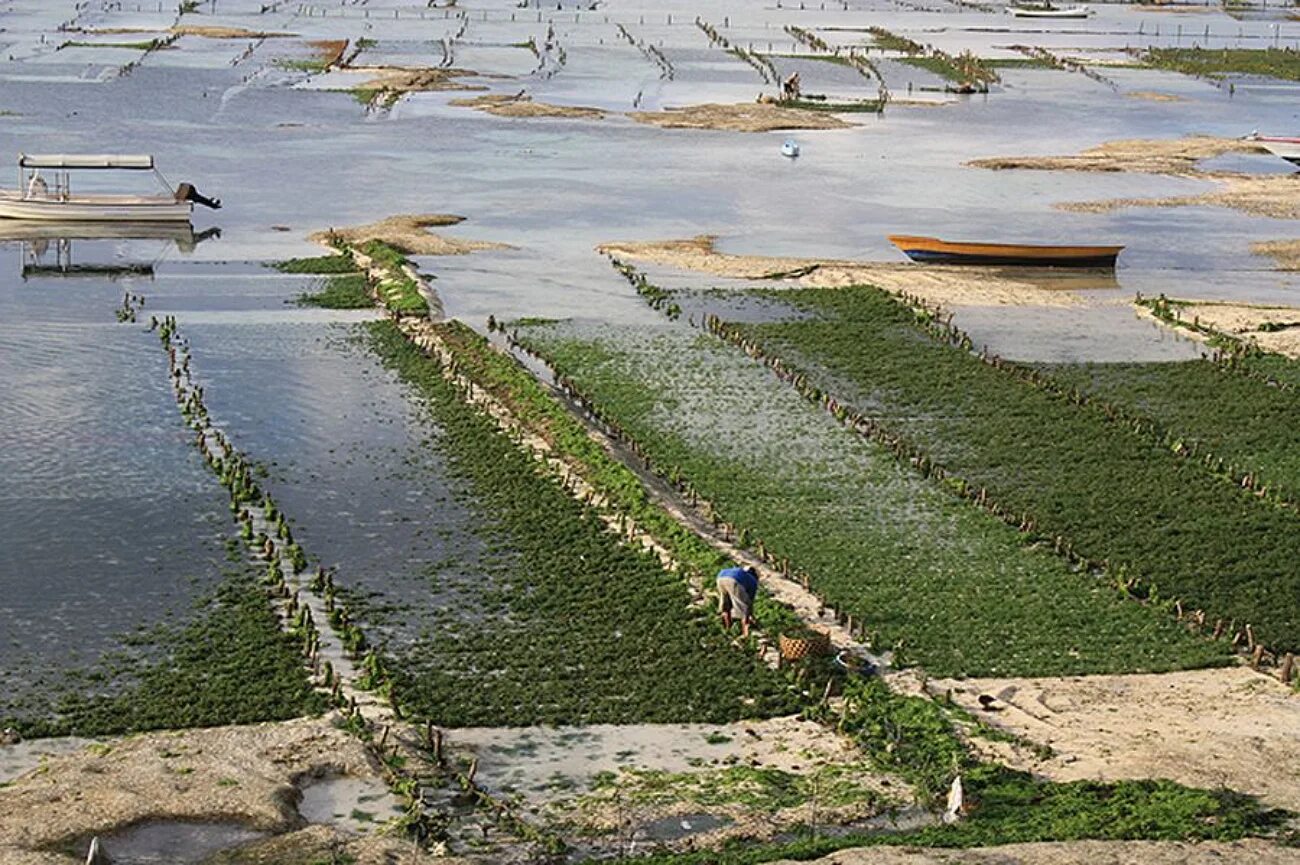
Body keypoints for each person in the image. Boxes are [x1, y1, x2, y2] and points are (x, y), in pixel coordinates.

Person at [716, 564, 758, 638]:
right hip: (734, 580)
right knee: (745, 609)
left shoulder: (738, 571)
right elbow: (749, 601)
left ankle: (728, 629)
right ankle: (745, 634)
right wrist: (750, 615)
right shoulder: (752, 580)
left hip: (720, 578)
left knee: (726, 606)